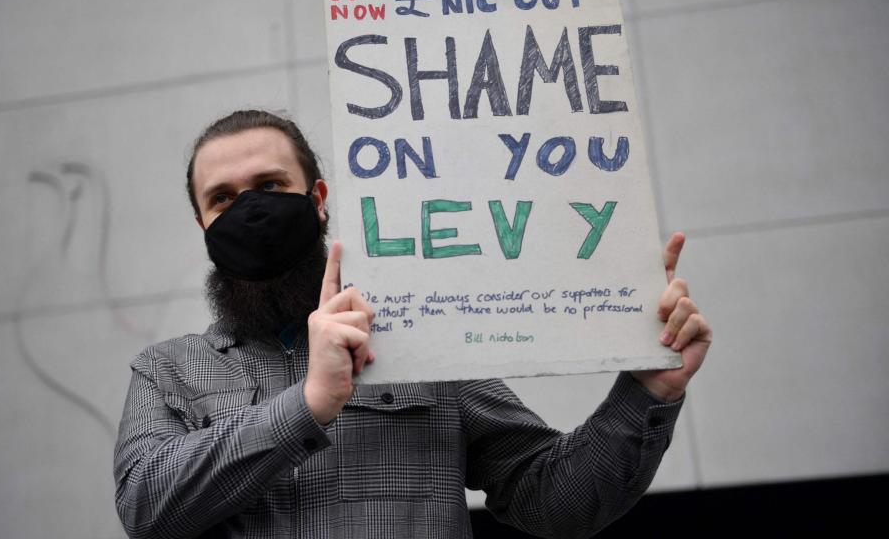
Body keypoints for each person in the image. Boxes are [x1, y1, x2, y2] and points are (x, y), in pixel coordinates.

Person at [113, 109, 712, 539]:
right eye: (223, 199)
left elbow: (555, 501)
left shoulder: (421, 334)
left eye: (270, 186)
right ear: (202, 223)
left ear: (317, 197)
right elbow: (146, 508)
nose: (250, 210)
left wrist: (645, 392)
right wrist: (310, 403)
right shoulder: (169, 370)